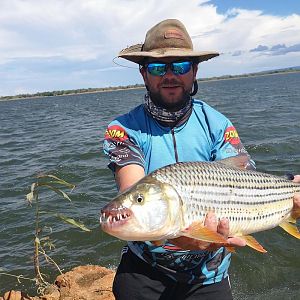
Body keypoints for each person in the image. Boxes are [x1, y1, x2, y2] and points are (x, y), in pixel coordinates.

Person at [103, 19, 300, 300]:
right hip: (145, 269)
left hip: (208, 276)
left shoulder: (218, 124)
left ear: (194, 71)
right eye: (158, 67)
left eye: (181, 65)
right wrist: (181, 238)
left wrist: (289, 192)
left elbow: (245, 178)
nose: (169, 75)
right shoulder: (122, 129)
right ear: (144, 73)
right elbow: (132, 190)